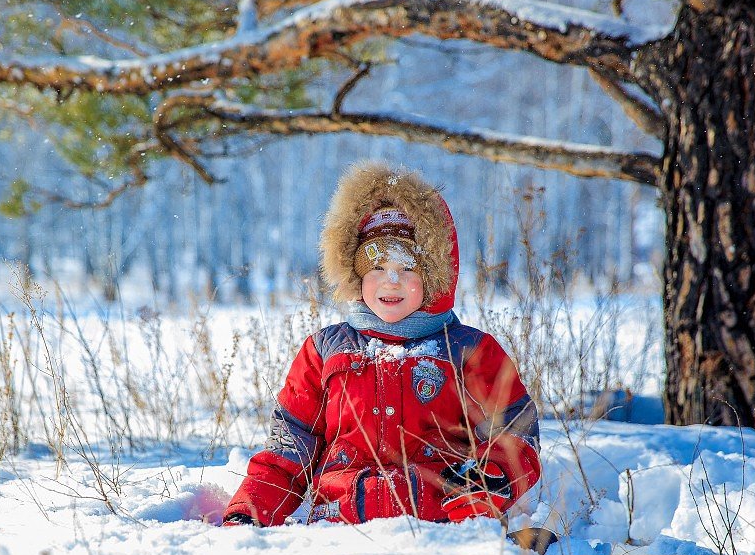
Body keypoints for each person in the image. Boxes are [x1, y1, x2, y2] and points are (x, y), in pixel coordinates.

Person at [223, 161, 541, 527]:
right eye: (376, 267)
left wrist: (489, 479)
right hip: (336, 531)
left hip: (440, 529)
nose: (390, 282)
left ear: (433, 273)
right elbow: (287, 451)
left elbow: (517, 434)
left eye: (407, 268)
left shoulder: (468, 350)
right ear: (355, 274)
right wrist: (249, 511)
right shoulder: (325, 350)